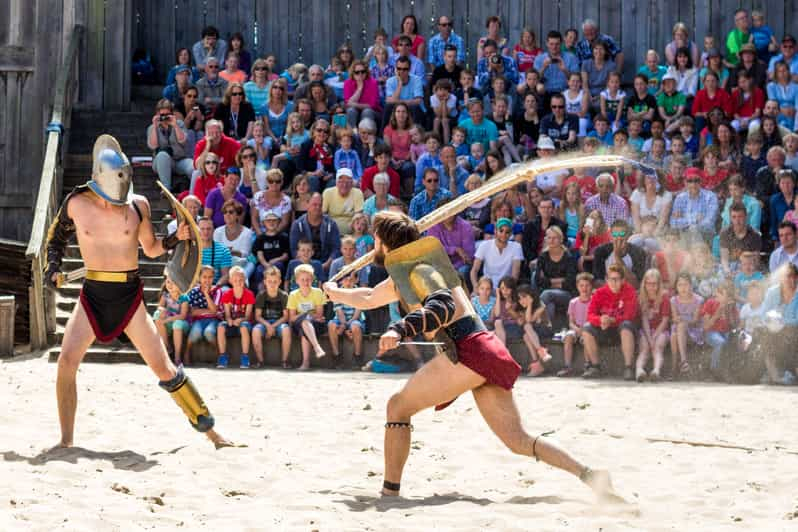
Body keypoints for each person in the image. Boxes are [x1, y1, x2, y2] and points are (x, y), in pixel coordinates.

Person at [322, 210, 622, 500]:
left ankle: (389, 492)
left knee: (397, 407)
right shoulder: (409, 272)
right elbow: (371, 297)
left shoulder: (421, 271)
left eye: (376, 238)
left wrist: (401, 329)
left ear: (384, 241)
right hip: (483, 350)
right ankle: (590, 475)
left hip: (468, 351)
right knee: (518, 440)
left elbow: (442, 307)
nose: (373, 244)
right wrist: (334, 293)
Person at [44, 135, 230, 448]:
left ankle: (212, 432)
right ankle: (66, 441)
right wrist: (52, 267)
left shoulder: (138, 206)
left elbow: (153, 248)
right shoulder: (76, 202)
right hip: (92, 294)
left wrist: (174, 239)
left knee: (164, 367)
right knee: (66, 362)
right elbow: (55, 239)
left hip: (129, 297)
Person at [582, 263, 639, 380]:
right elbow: (590, 315)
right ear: (606, 279)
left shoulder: (629, 291)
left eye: (617, 279)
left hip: (622, 330)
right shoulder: (599, 293)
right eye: (610, 279)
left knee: (626, 325)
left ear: (623, 280)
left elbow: (630, 315)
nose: (613, 282)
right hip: (604, 328)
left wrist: (612, 320)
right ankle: (595, 367)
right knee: (587, 328)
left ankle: (628, 367)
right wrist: (600, 320)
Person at [147, 99, 193, 192]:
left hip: (180, 160)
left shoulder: (179, 124)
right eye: (162, 115)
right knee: (162, 155)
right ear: (157, 114)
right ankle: (166, 189)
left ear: (172, 114)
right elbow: (153, 146)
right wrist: (155, 126)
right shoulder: (152, 128)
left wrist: (175, 125)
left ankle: (193, 192)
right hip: (161, 162)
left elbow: (183, 141)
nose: (164, 117)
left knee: (193, 166)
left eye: (167, 115)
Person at [288, 264, 327, 370]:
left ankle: (305, 363)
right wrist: (306, 314)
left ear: (312, 280)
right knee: (304, 323)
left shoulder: (318, 292)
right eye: (303, 279)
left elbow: (319, 314)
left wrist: (304, 316)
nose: (306, 282)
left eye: (308, 279)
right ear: (297, 281)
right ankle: (317, 347)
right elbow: (292, 318)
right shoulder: (293, 295)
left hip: (316, 324)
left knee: (305, 326)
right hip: (298, 325)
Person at [289, 192, 341, 273]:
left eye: (320, 205)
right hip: (304, 266)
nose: (318, 207)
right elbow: (294, 250)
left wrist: (327, 264)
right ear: (307, 205)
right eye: (314, 204)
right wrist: (306, 265)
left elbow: (336, 248)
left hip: (326, 264)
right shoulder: (297, 225)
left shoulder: (331, 224)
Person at [535, 226, 578, 324]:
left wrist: (548, 281)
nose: (551, 240)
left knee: (547, 294)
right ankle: (548, 330)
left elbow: (571, 282)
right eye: (549, 238)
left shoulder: (568, 257)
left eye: (555, 238)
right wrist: (560, 280)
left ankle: (535, 322)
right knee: (549, 305)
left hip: (566, 294)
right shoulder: (543, 257)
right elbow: (538, 281)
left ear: (561, 239)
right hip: (547, 292)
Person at [215, 266, 255, 369]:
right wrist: (229, 320)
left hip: (244, 323)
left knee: (244, 327)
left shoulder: (249, 295)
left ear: (244, 280)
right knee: (220, 327)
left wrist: (240, 320)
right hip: (232, 324)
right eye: (235, 280)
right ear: (230, 281)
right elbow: (227, 315)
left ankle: (245, 356)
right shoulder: (227, 294)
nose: (238, 282)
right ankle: (223, 356)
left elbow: (248, 316)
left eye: (241, 280)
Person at [252, 265, 291, 368]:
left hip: (279, 323)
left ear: (279, 282)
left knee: (286, 330)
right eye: (270, 281)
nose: (272, 284)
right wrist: (268, 326)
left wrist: (272, 326)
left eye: (275, 281)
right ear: (265, 282)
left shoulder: (283, 295)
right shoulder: (261, 295)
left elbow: (286, 317)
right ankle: (260, 361)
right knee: (256, 331)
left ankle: (284, 361)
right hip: (264, 323)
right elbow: (258, 316)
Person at [635, 269, 670, 382]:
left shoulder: (664, 297)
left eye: (654, 284)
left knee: (657, 347)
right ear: (644, 284)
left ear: (659, 284)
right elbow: (644, 319)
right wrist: (649, 337)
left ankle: (656, 371)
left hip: (661, 330)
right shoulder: (642, 297)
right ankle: (639, 370)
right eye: (649, 283)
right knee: (644, 348)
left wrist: (654, 336)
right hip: (646, 330)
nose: (651, 287)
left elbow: (665, 320)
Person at [592, 219, 649, 287]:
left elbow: (636, 284)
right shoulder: (601, 251)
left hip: (628, 292)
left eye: (622, 234)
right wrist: (614, 288)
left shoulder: (638, 252)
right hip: (607, 290)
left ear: (628, 235)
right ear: (610, 236)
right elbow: (597, 281)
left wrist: (618, 257)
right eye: (615, 234)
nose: (619, 237)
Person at [471, 217, 523, 291]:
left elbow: (515, 275)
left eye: (507, 232)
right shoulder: (484, 245)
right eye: (501, 231)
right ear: (495, 231)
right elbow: (474, 270)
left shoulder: (516, 247)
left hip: (506, 287)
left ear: (511, 233)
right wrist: (475, 286)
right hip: (487, 287)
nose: (504, 234)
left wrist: (506, 291)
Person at [557, 272, 594, 377]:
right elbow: (570, 322)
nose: (584, 288)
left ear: (591, 287)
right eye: (581, 285)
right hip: (576, 328)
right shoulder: (573, 302)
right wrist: (577, 329)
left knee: (587, 337)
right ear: (577, 287)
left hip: (588, 329)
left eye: (587, 285)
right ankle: (567, 366)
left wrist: (584, 330)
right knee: (568, 336)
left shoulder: (593, 301)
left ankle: (588, 365)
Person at [327, 270, 365, 367]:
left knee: (355, 326)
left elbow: (357, 313)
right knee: (332, 324)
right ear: (340, 281)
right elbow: (339, 313)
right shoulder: (337, 293)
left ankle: (357, 356)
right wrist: (344, 326)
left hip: (355, 319)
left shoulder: (359, 293)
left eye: (351, 280)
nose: (348, 283)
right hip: (341, 320)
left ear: (356, 280)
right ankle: (336, 356)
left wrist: (347, 327)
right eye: (345, 280)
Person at [669, 171, 719, 242]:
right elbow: (673, 222)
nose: (693, 184)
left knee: (694, 232)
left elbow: (709, 223)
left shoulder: (710, 196)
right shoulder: (680, 198)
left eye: (696, 180)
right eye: (690, 181)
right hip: (684, 234)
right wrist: (695, 219)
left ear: (701, 181)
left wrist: (685, 222)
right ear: (685, 182)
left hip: (705, 235)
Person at [153, 275, 189, 365]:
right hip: (169, 321)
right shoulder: (165, 295)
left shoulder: (184, 297)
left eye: (173, 282)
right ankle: (167, 347)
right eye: (168, 282)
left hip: (182, 323)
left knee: (177, 323)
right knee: (157, 315)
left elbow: (183, 315)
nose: (170, 285)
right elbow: (159, 306)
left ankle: (177, 356)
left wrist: (167, 320)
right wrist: (162, 310)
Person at [533, 31, 580, 97]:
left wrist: (565, 70)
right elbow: (533, 80)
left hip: (565, 93)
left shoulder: (571, 57)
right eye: (551, 44)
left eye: (557, 44)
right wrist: (543, 68)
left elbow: (577, 80)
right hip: (545, 93)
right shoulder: (539, 59)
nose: (554, 47)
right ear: (547, 44)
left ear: (561, 44)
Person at [384, 56, 425, 126]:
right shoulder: (390, 81)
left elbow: (418, 101)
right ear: (395, 69)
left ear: (409, 69)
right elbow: (389, 101)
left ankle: (416, 133)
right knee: (388, 107)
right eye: (399, 69)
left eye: (405, 69)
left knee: (414, 107)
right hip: (398, 109)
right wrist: (400, 83)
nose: (401, 71)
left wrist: (400, 103)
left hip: (413, 109)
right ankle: (383, 134)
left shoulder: (417, 80)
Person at [344, 59, 381, 129]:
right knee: (351, 111)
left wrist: (354, 104)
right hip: (355, 111)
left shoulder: (373, 83)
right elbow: (347, 103)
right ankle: (352, 134)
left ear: (366, 72)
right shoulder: (348, 83)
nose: (360, 74)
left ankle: (366, 134)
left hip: (373, 112)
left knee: (366, 111)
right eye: (357, 72)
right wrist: (359, 88)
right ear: (353, 73)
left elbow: (372, 105)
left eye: (362, 72)